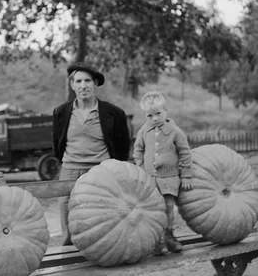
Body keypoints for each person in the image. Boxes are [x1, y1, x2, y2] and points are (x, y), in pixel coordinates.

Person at [52, 62, 131, 246]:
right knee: (68, 216)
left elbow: (122, 147)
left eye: (88, 81)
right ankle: (68, 257)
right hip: (70, 170)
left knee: (101, 219)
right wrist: (68, 162)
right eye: (78, 81)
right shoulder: (61, 113)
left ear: (95, 84)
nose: (83, 85)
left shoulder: (114, 113)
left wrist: (110, 168)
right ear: (72, 85)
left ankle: (102, 255)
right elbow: (57, 144)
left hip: (100, 172)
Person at [133, 91, 193, 255]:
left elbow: (185, 153)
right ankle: (157, 241)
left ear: (166, 110)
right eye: (149, 115)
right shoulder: (144, 131)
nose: (154, 118)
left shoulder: (175, 131)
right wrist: (141, 170)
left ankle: (169, 236)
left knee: (168, 207)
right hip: (150, 180)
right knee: (153, 209)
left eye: (158, 113)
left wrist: (186, 175)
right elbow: (137, 151)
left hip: (169, 179)